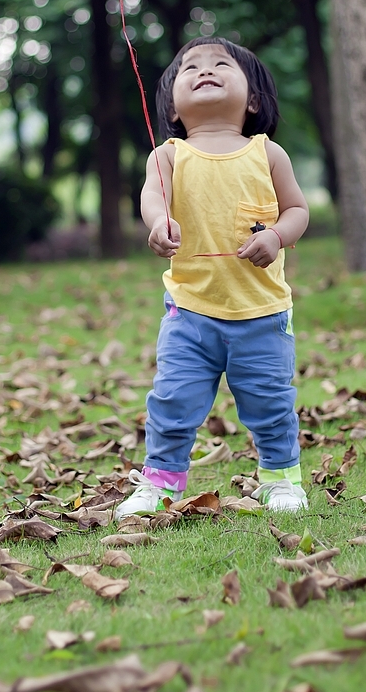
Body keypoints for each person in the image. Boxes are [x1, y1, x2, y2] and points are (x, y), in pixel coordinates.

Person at [115, 37, 310, 521]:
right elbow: (152, 199)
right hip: (190, 313)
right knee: (173, 400)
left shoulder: (268, 153)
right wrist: (158, 224)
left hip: (261, 313)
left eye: (221, 64)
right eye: (190, 68)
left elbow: (297, 209)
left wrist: (279, 237)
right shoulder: (169, 156)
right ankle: (160, 483)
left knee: (270, 402)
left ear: (253, 100)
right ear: (174, 107)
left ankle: (281, 479)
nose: (205, 70)